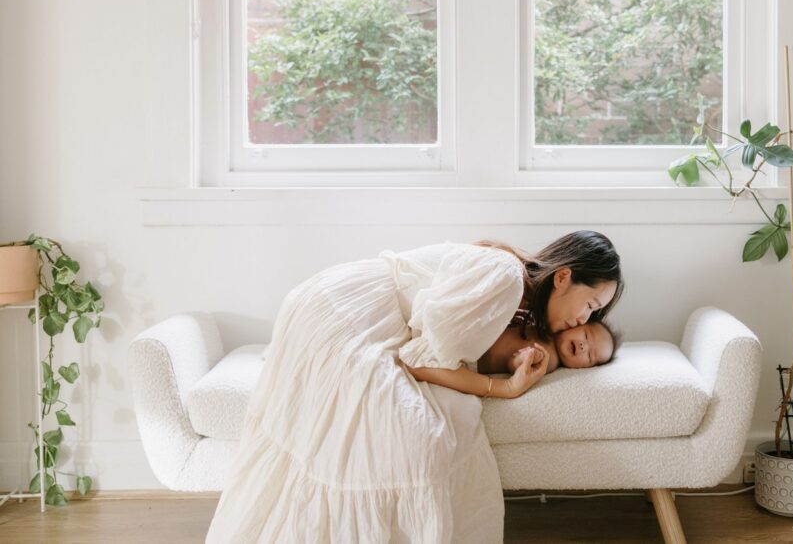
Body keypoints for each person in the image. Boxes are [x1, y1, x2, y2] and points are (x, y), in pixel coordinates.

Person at [205, 230, 622, 544]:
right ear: (564, 276)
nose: (583, 319)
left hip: (363, 312)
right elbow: (421, 361)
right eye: (590, 305)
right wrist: (502, 390)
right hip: (345, 311)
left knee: (417, 439)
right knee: (404, 436)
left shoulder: (523, 309)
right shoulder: (506, 278)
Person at [476, 319, 620, 375]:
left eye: (590, 356)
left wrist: (524, 359)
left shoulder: (549, 358)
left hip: (476, 357)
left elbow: (512, 366)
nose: (584, 347)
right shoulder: (549, 325)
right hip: (477, 332)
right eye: (586, 335)